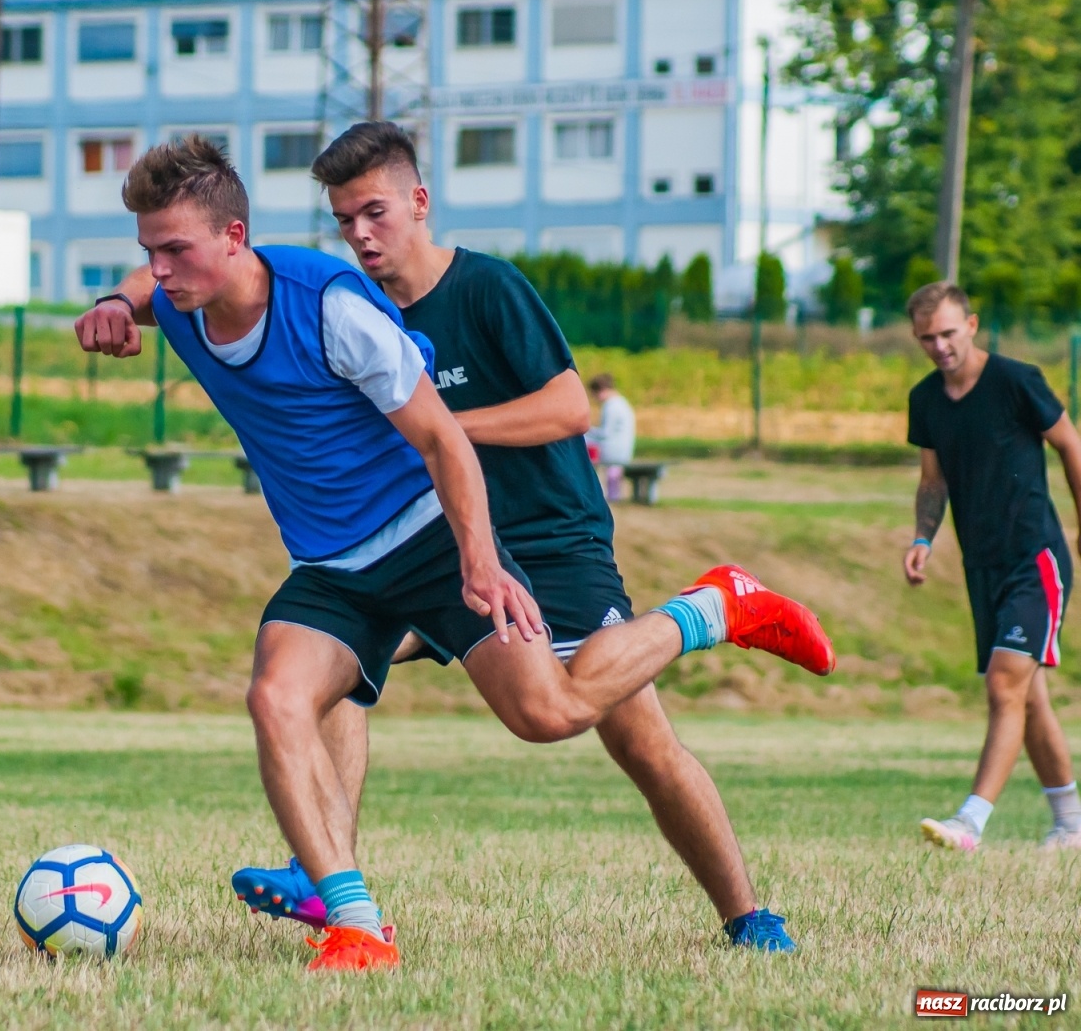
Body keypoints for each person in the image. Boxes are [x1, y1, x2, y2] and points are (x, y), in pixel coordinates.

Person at [76, 136, 834, 972]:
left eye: (376, 212)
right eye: (345, 218)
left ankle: (718, 622)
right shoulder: (279, 290)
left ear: (418, 204)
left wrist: (456, 505)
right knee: (304, 689)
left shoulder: (433, 295)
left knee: (597, 727)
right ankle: (343, 900)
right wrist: (118, 295)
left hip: (527, 534)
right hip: (369, 554)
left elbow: (538, 414)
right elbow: (162, 274)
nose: (361, 233)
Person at [904, 281, 1081, 853]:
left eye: (949, 333)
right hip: (982, 566)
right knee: (1027, 698)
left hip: (1036, 559)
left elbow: (1070, 446)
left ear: (972, 326)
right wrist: (922, 539)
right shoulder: (926, 400)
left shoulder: (1015, 381)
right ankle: (1072, 824)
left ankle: (970, 822)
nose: (940, 347)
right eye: (927, 338)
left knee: (1006, 683)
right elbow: (933, 481)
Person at [588, 373, 636, 502]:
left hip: (614, 451)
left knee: (584, 444)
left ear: (601, 390)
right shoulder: (621, 402)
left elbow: (605, 433)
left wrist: (587, 431)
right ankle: (611, 495)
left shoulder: (611, 406)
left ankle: (596, 495)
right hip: (623, 450)